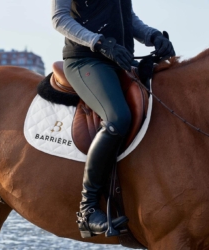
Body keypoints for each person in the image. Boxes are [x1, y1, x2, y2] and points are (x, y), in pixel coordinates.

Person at [51, 0, 175, 238]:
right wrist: (98, 42)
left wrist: (153, 36)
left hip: (118, 60)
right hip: (86, 60)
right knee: (117, 119)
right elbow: (59, 19)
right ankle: (87, 210)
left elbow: (128, 18)